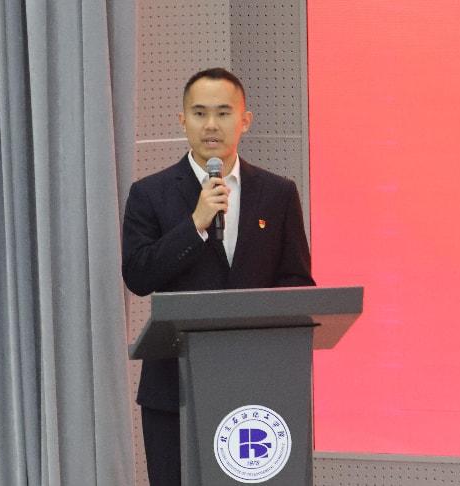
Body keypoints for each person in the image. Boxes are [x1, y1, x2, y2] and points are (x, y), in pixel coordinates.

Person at [121, 67, 315, 486]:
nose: (211, 125)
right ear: (182, 120)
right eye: (199, 113)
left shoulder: (278, 193)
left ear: (245, 120)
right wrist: (195, 224)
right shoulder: (149, 194)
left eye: (224, 113)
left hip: (258, 390)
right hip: (174, 391)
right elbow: (138, 274)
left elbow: (297, 282)